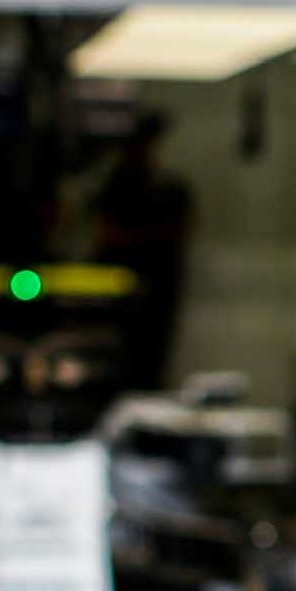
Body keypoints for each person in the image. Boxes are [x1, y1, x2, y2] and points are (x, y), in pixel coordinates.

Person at [93, 112, 194, 390]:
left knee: (150, 359)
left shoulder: (169, 189)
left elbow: (183, 228)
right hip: (118, 293)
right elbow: (107, 232)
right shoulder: (115, 187)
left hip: (157, 287)